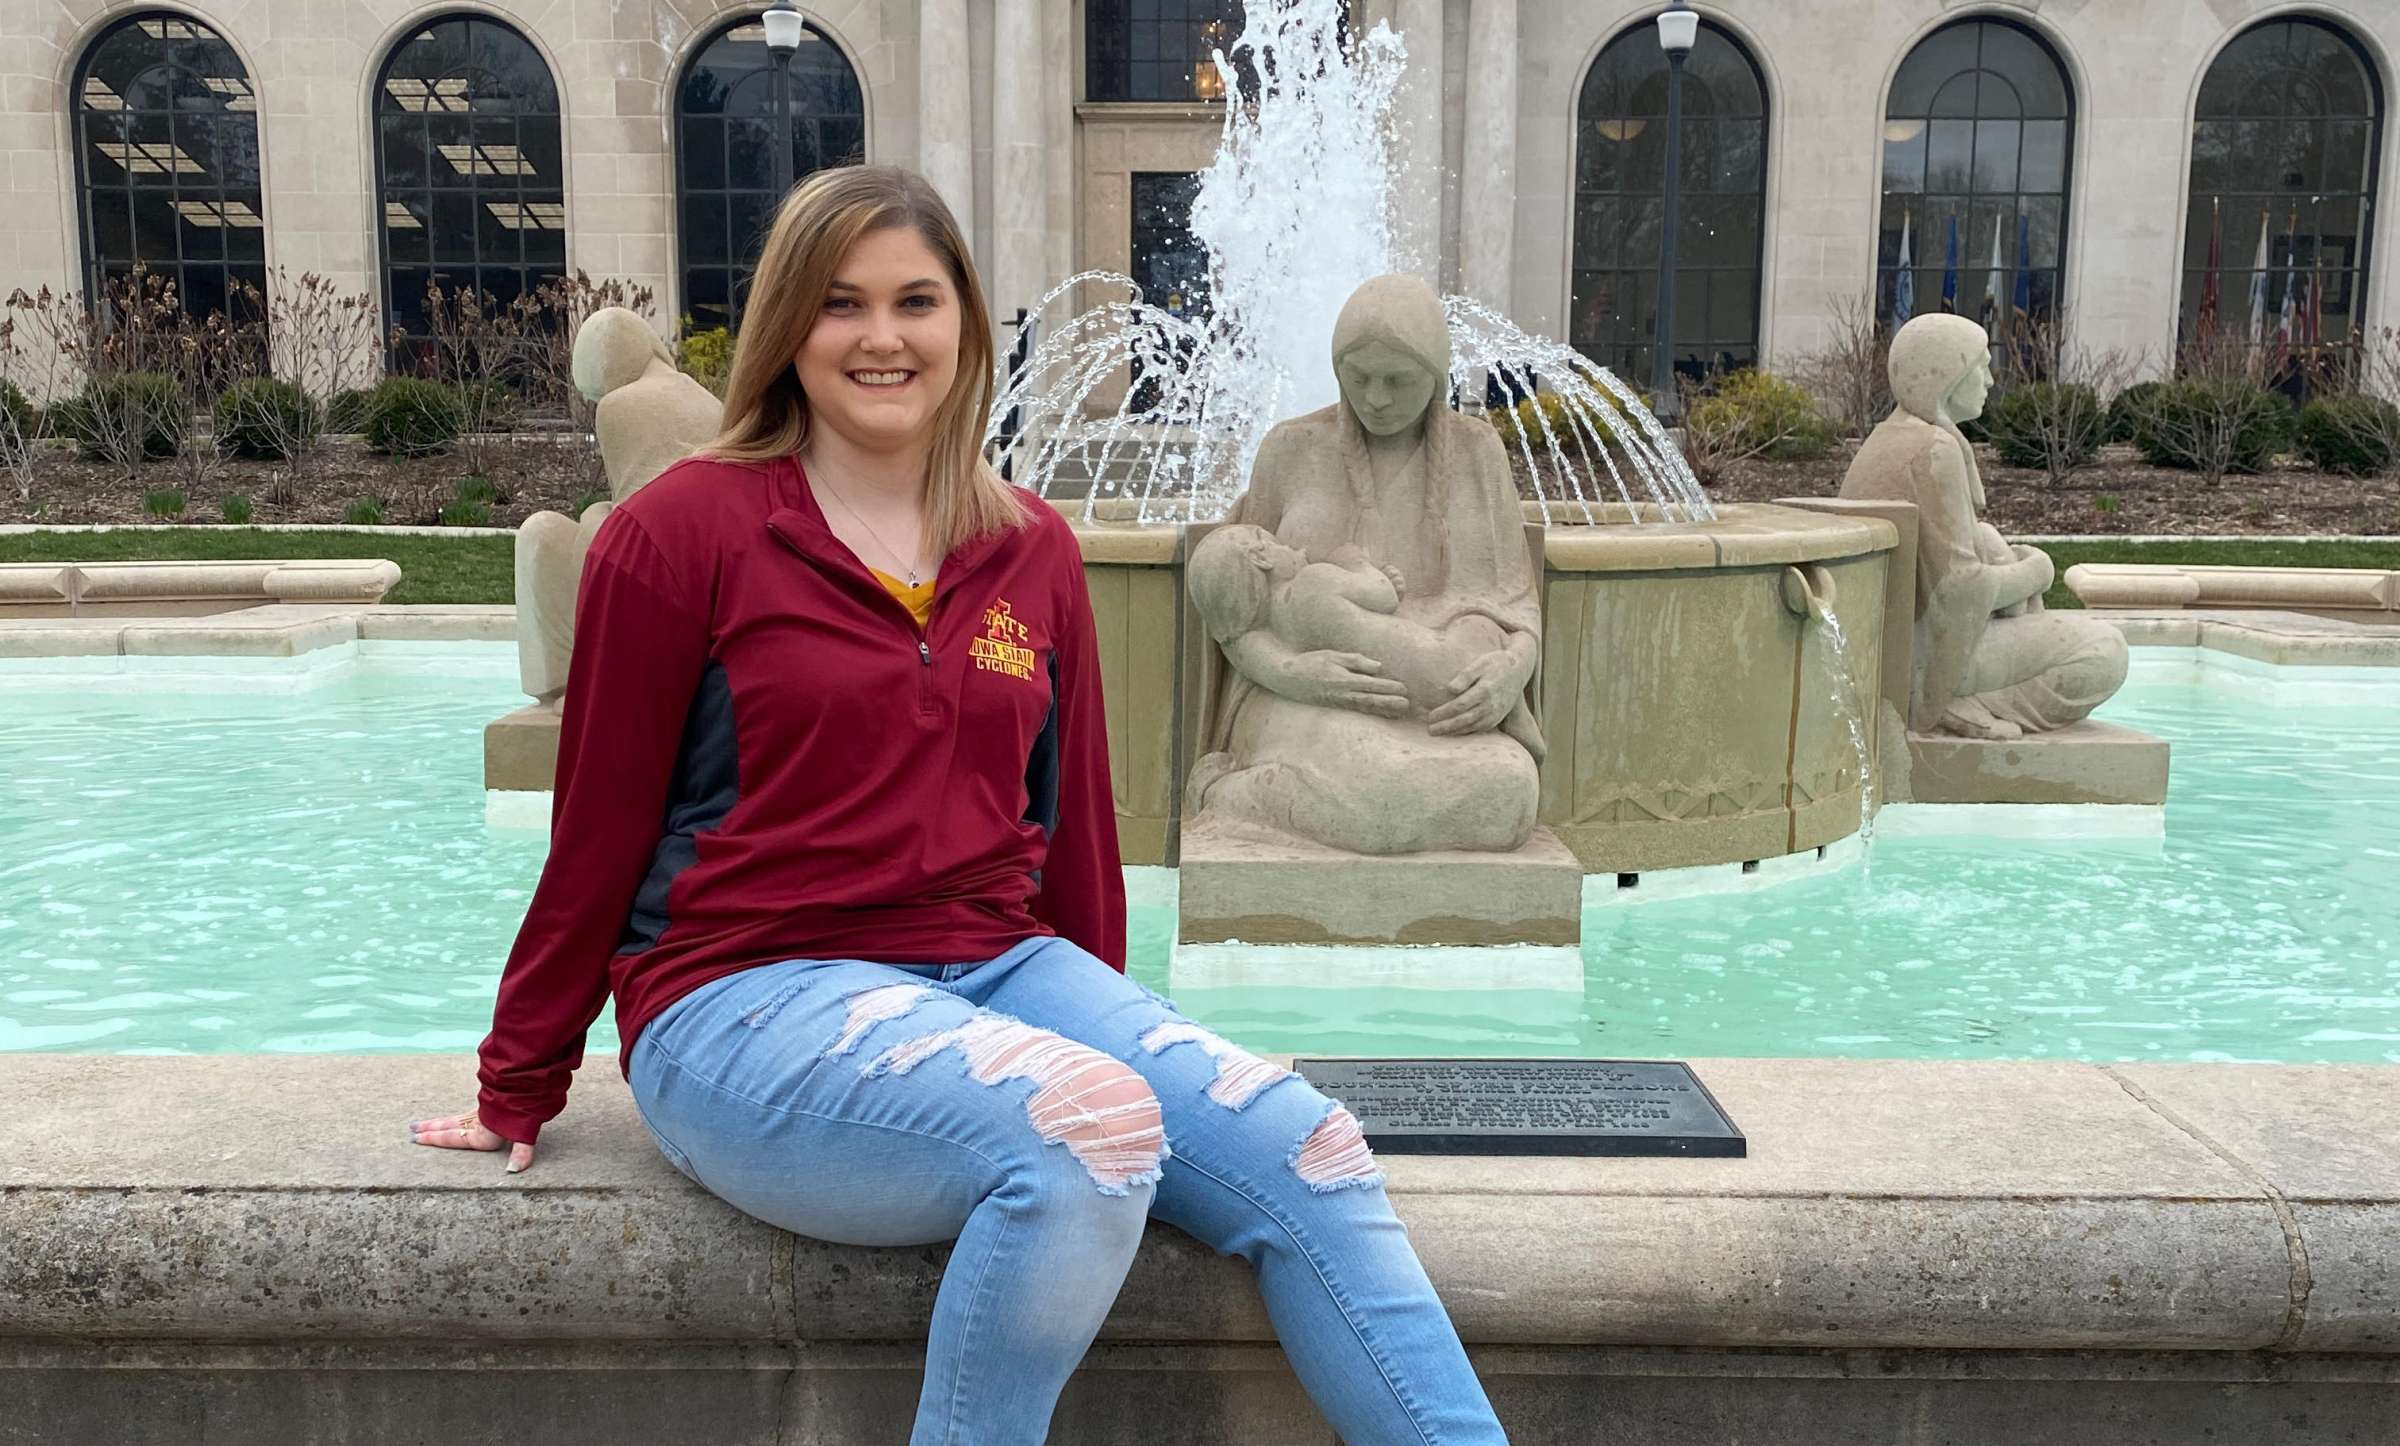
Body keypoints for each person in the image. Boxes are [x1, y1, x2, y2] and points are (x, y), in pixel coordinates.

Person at [407, 165, 1508, 1445]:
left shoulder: (1029, 548)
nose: (882, 336)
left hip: (993, 968)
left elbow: (1072, 838)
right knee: (1080, 1138)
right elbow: (596, 832)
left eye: (915, 301)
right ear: (788, 329)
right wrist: (520, 1077)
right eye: (841, 303)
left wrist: (1105, 1028)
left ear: (966, 327)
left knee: (1315, 1150)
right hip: (740, 993)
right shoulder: (680, 533)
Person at [1187, 272, 1545, 857]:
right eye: (1360, 378)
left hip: (1439, 702)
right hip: (1303, 691)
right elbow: (1235, 615)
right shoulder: (1290, 448)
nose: (1376, 397)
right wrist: (1294, 675)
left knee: (1511, 792)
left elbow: (1515, 604)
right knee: (1376, 792)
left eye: (1398, 380)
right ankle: (1232, 794)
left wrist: (1508, 674)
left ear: (1434, 377)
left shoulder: (1478, 454)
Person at [1190, 522, 1510, 719]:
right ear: (1260, 557)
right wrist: (1358, 562)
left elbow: (1230, 625)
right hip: (1448, 667)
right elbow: (1383, 595)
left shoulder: (1285, 623)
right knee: (1475, 627)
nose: (1287, 545)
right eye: (1272, 540)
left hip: (1402, 693)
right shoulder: (1313, 579)